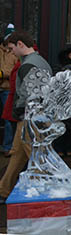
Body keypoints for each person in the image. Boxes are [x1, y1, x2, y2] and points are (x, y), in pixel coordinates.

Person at [0, 30, 52, 204]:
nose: (11, 51)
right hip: (32, 118)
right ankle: (4, 189)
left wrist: (19, 108)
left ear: (21, 44)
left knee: (36, 158)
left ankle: (49, 192)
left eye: (12, 47)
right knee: (18, 155)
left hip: (30, 119)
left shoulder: (29, 65)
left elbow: (32, 95)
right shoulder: (38, 62)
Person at [0, 24, 17, 156]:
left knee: (8, 119)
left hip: (7, 89)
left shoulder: (15, 52)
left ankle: (7, 146)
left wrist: (2, 74)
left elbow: (16, 70)